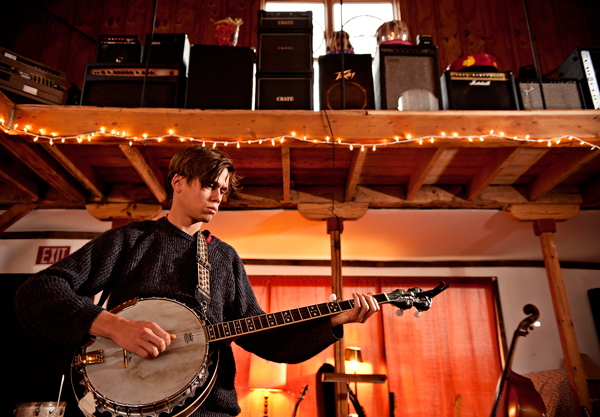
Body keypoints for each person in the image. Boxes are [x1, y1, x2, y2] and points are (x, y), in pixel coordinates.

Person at [13, 145, 380, 417]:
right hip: (123, 409)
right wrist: (114, 326)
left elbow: (265, 337)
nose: (219, 197)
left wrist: (331, 322)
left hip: (208, 410)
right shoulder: (130, 241)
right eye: (209, 186)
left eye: (223, 190)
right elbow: (38, 292)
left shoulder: (224, 258)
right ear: (178, 182)